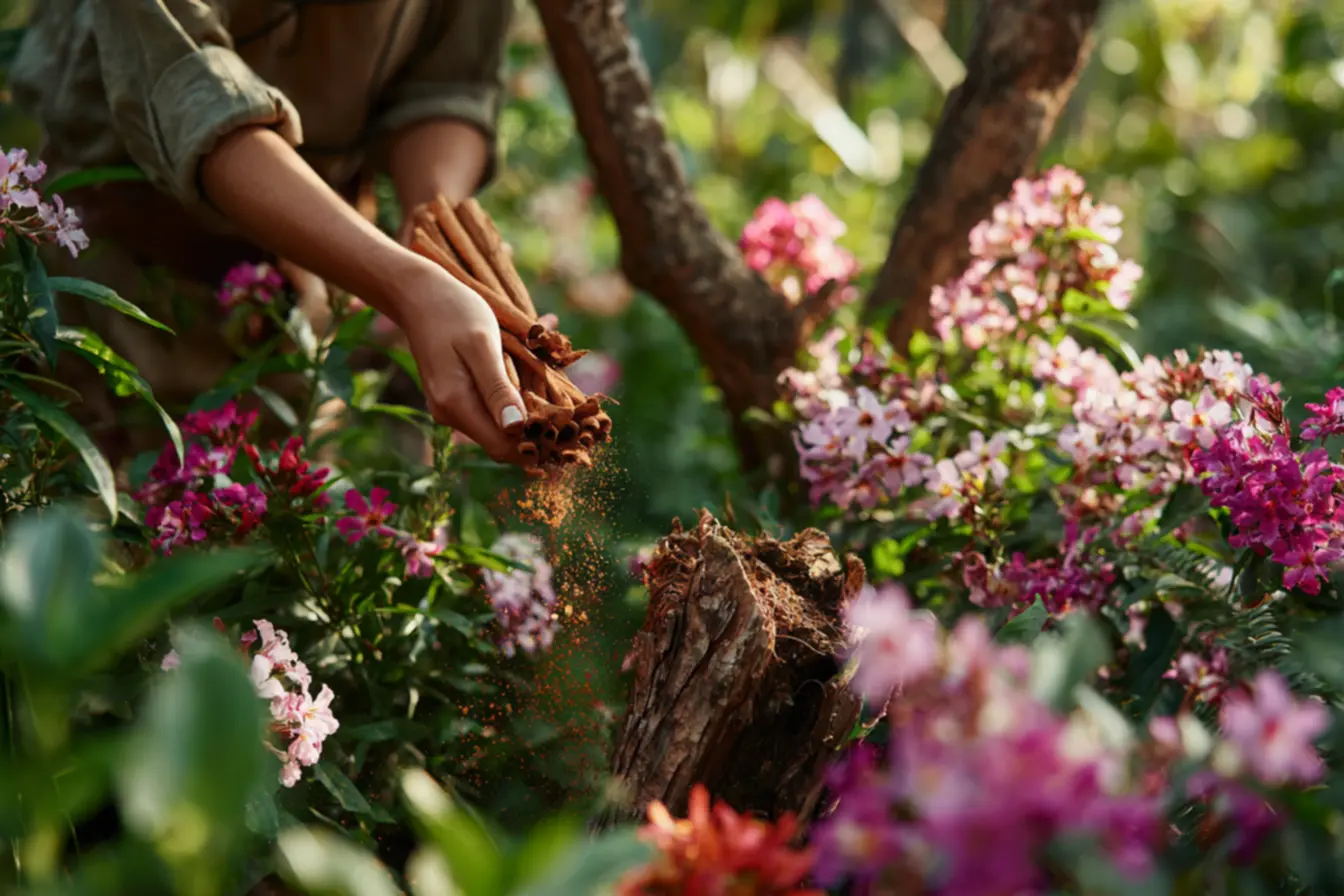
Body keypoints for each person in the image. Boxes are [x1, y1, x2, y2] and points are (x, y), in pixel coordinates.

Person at [10, 0, 527, 463]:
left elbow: (449, 81)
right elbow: (191, 90)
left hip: (300, 294)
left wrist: (443, 241)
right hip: (103, 284)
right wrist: (407, 285)